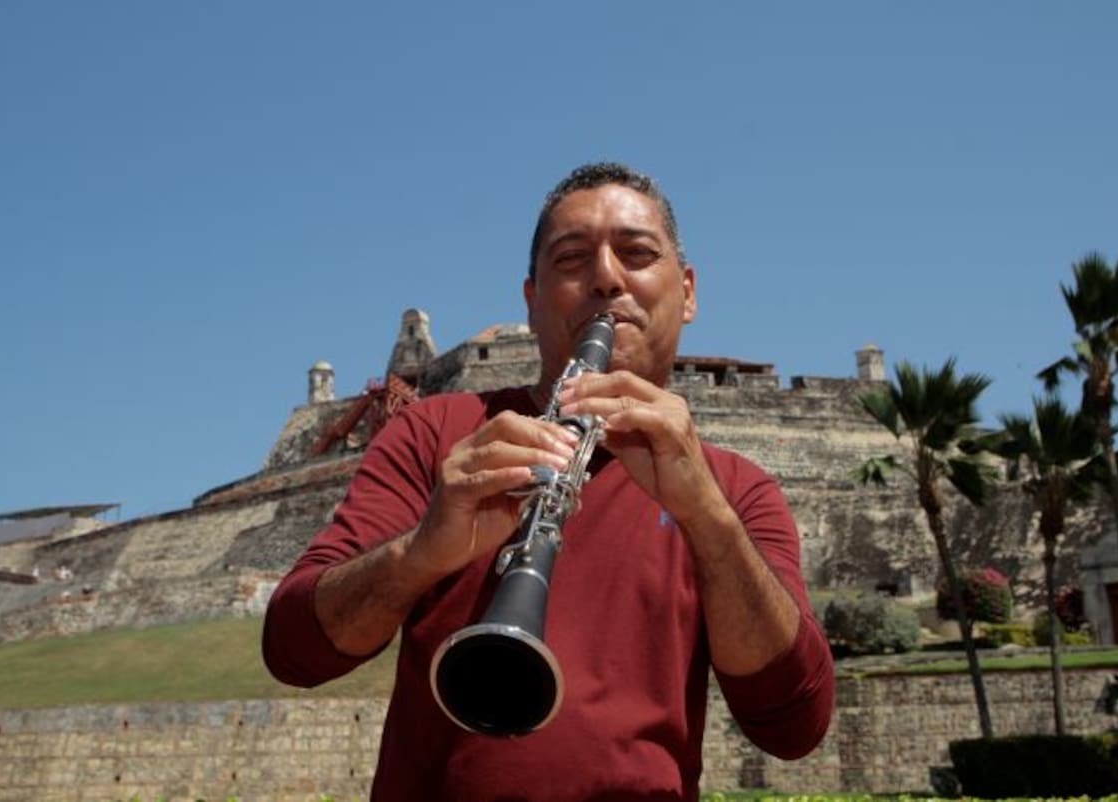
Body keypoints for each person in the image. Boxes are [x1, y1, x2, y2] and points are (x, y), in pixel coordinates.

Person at [263, 162, 834, 801]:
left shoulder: (738, 489)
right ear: (532, 301)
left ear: (688, 291)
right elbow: (292, 651)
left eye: (637, 254)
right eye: (571, 260)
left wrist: (706, 515)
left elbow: (796, 724)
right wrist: (420, 554)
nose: (607, 278)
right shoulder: (435, 433)